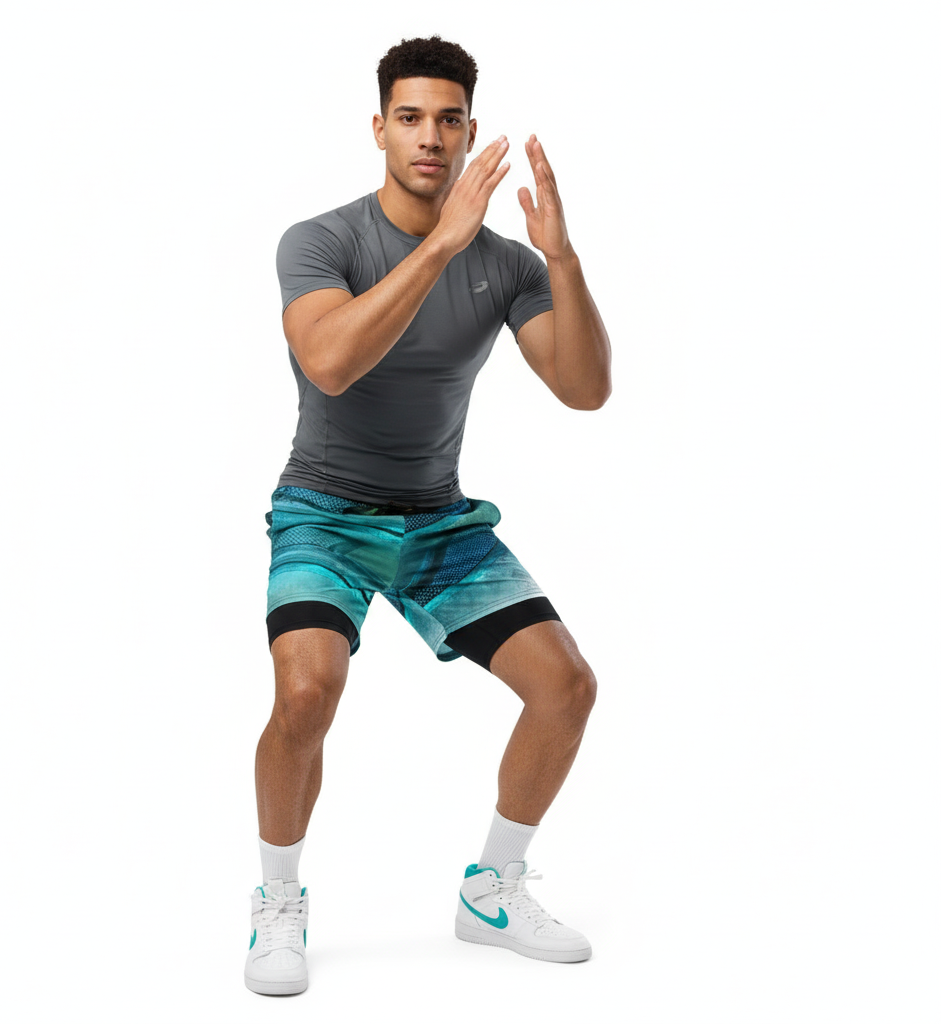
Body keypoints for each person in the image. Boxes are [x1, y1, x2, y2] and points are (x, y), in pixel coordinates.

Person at [245, 34, 612, 996]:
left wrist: (561, 256)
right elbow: (330, 362)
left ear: (470, 131)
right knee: (306, 694)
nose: (431, 138)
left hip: (439, 523)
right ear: (379, 128)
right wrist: (442, 242)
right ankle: (278, 900)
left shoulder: (506, 265)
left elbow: (585, 390)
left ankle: (492, 889)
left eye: (449, 120)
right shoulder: (319, 242)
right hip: (323, 513)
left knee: (567, 687)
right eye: (410, 117)